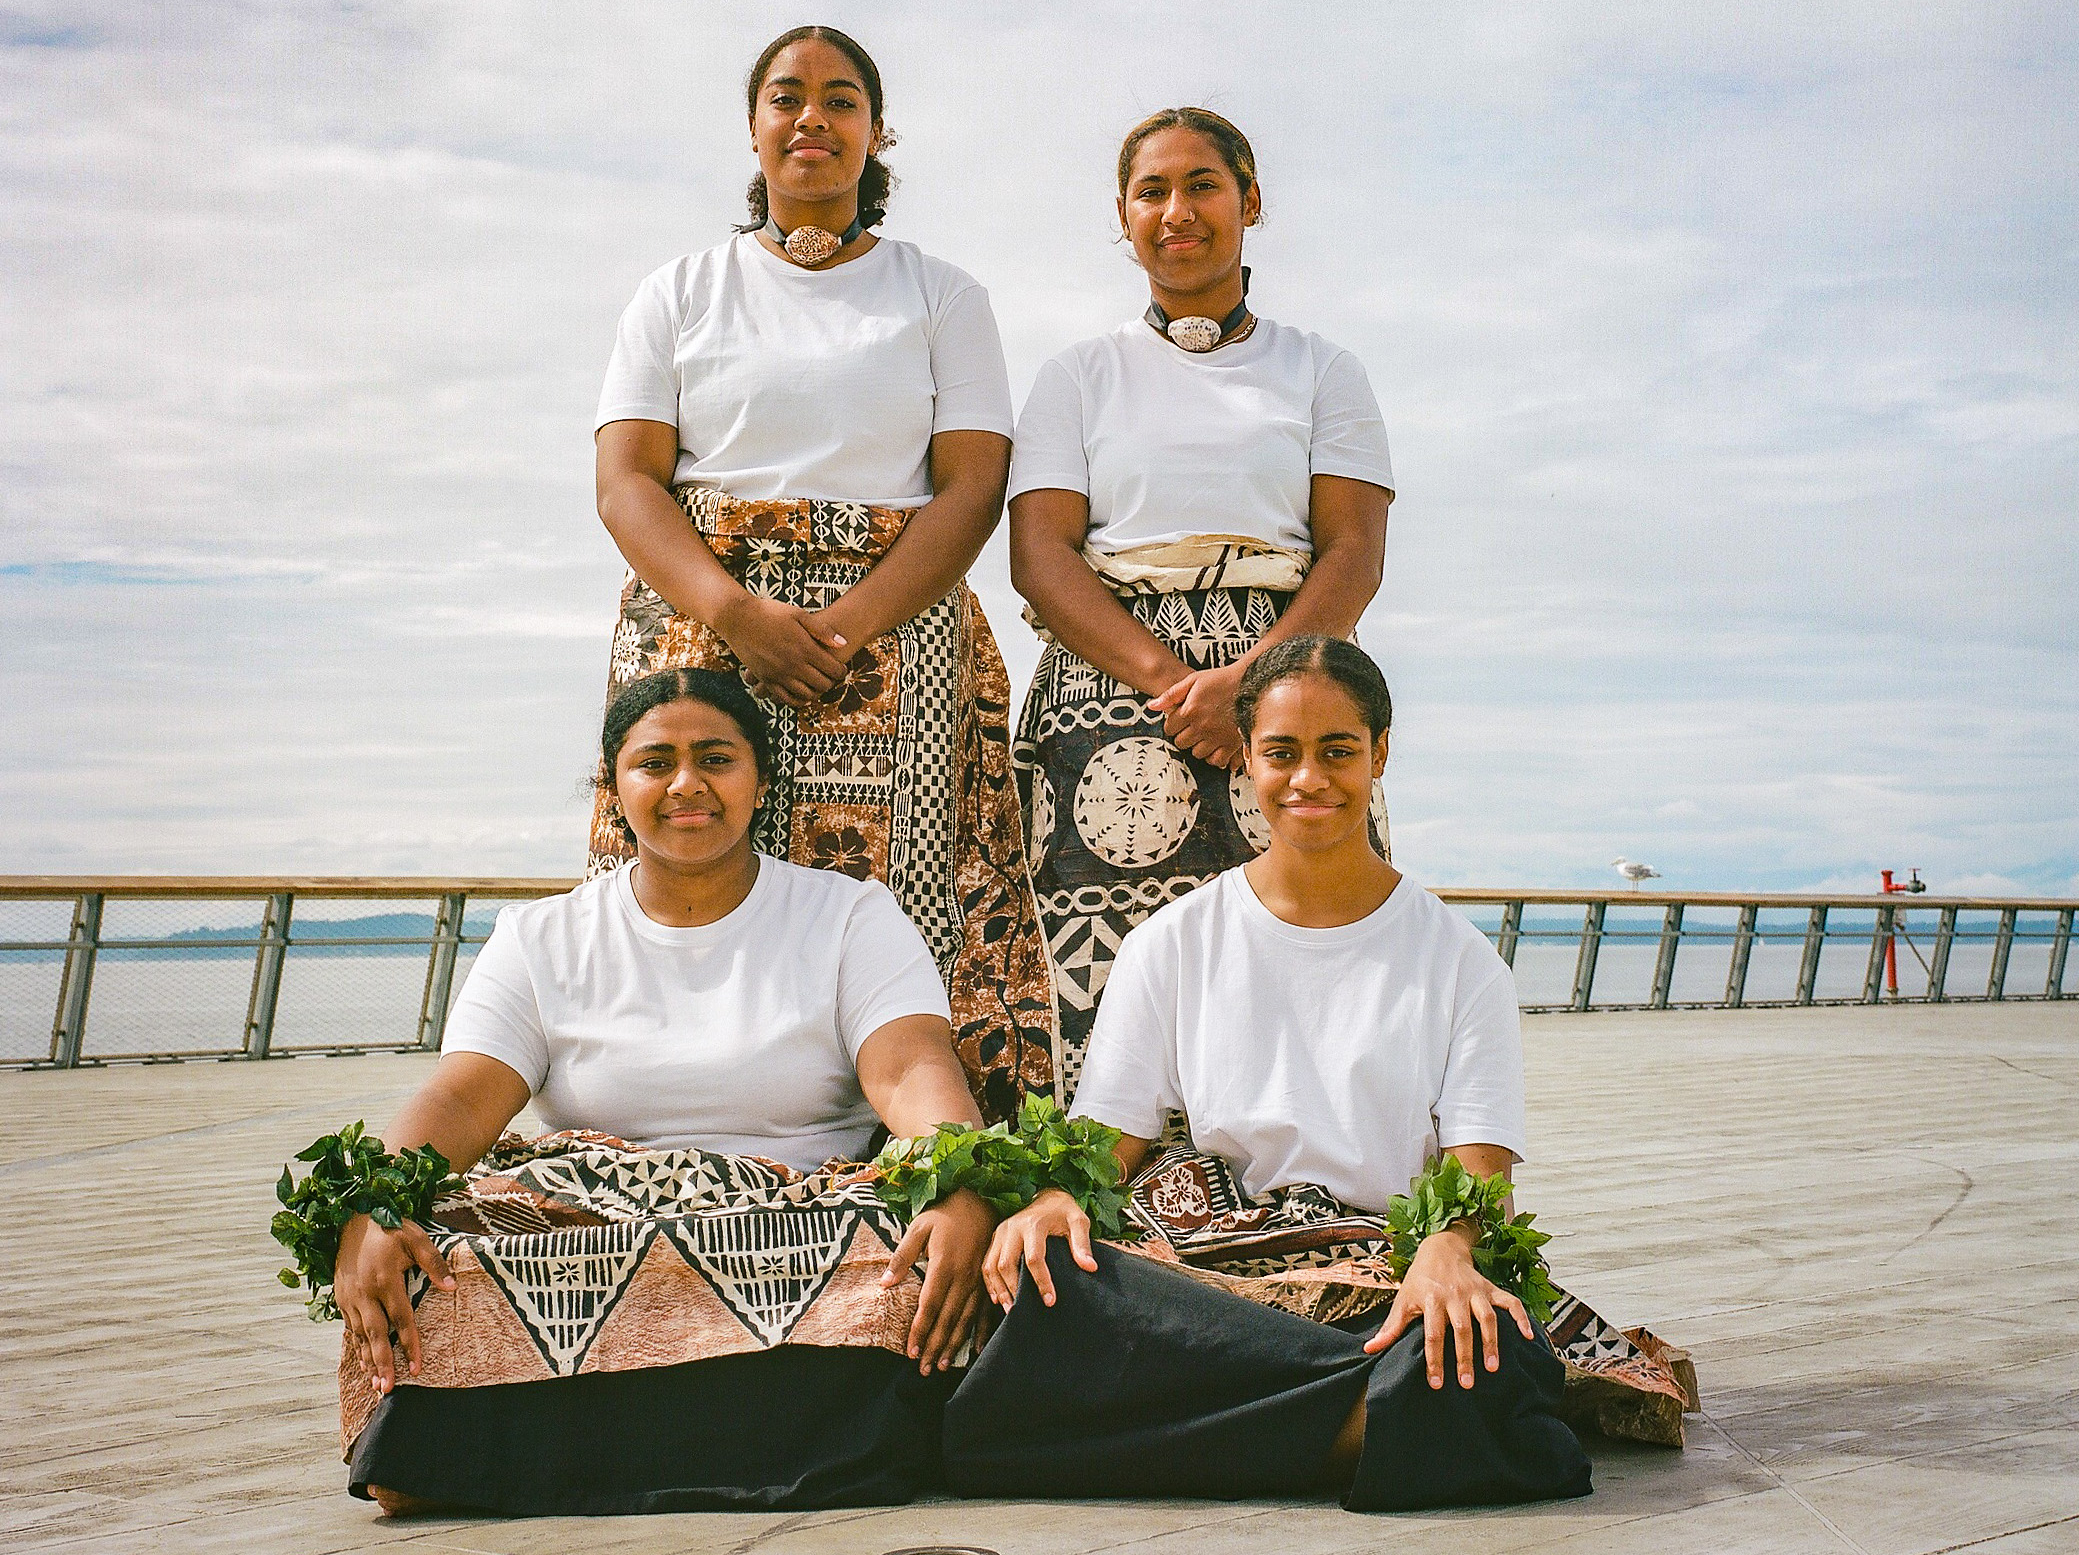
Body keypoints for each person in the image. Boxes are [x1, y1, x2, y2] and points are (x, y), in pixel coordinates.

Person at [946, 639, 1596, 1511]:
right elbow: (1109, 1141)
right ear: (1246, 758)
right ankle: (1363, 1433)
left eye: (1338, 750)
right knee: (1051, 1280)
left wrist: (1447, 1249)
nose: (1308, 779)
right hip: (1217, 1275)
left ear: (1380, 753)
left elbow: (1480, 1172)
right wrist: (1060, 1195)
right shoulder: (1171, 942)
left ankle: (1139, 1445)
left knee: (1486, 1354)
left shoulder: (1457, 958)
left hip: (1379, 1277)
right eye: (1281, 753)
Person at [335, 669, 998, 1515]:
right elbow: (463, 1097)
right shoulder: (540, 935)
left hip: (795, 1221)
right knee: (428, 1252)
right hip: (586, 1222)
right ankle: (767, 1441)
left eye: (715, 757)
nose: (687, 783)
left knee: (893, 1248)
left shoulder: (849, 915)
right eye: (656, 762)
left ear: (760, 781)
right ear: (614, 789)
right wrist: (376, 1202)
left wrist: (961, 1183)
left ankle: (537, 1454)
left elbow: (910, 1069)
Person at [590, 25, 1052, 1123]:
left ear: (875, 132)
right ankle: (687, 1120)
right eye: (787, 99)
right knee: (695, 862)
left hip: (899, 629)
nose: (813, 120)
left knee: (907, 895)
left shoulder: (943, 295)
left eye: (841, 100)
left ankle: (921, 1152)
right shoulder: (679, 290)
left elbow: (972, 486)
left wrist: (844, 627)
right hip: (704, 621)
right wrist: (737, 614)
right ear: (753, 129)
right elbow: (626, 484)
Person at [1008, 107, 1395, 1100]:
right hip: (1107, 699)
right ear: (1125, 218)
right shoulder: (1077, 375)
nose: (1177, 210)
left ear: (1249, 201)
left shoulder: (1322, 369)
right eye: (1152, 192)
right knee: (1101, 967)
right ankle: (1108, 1215)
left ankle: (1304, 1195)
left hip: (1290, 692)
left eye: (1203, 186)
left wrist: (1253, 687)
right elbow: (1041, 558)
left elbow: (1353, 552)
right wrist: (1180, 684)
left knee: (1298, 944)